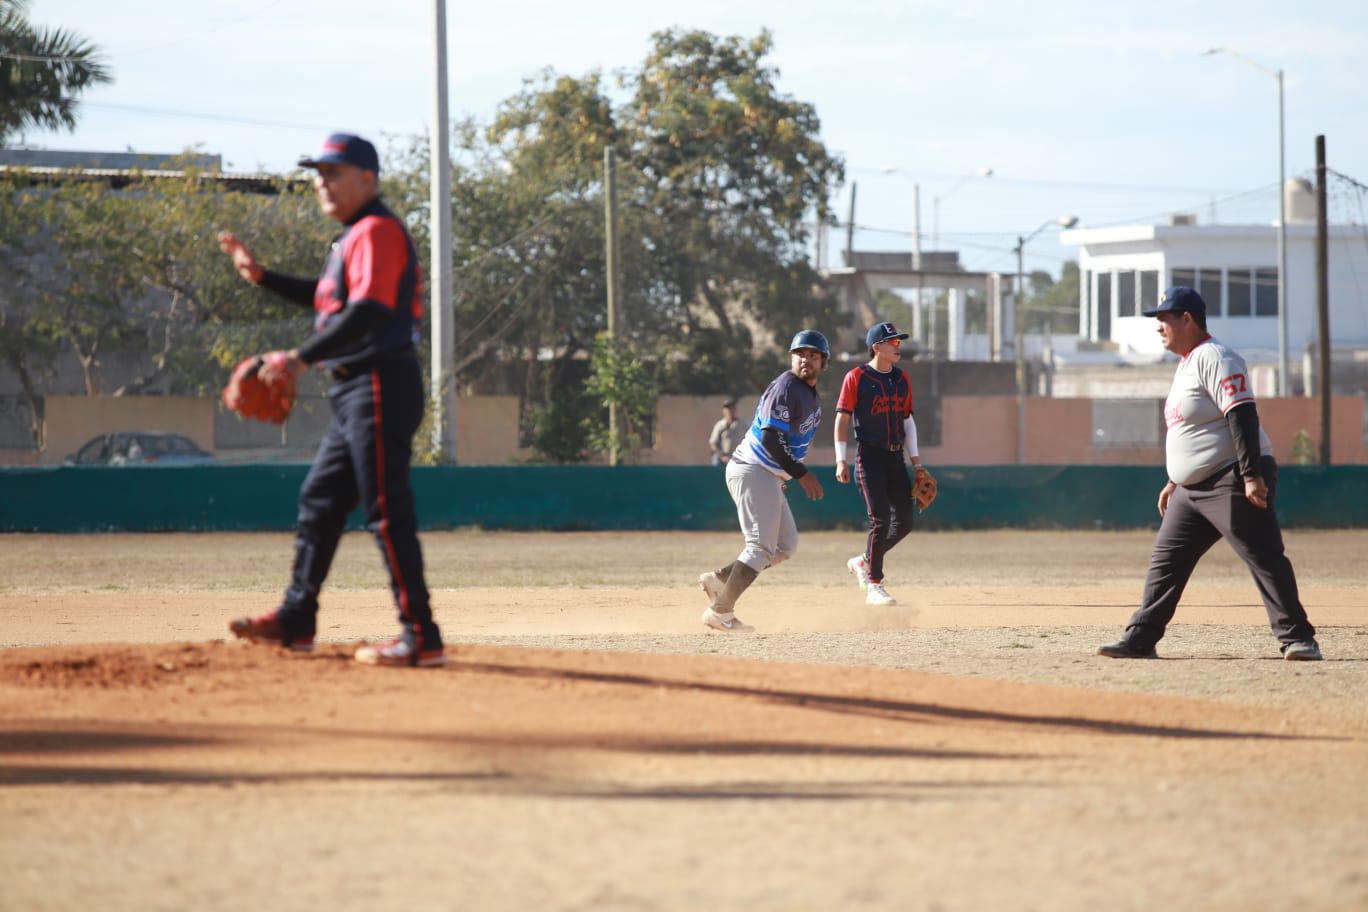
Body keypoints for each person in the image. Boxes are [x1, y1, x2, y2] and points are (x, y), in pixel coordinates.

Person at [217, 132, 446, 668]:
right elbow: (328, 299)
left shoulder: (377, 230)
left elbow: (366, 311)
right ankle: (296, 620)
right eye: (318, 172)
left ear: (368, 179)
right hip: (356, 389)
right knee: (319, 503)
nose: (322, 181)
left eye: (334, 172)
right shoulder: (350, 239)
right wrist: (263, 277)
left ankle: (422, 635)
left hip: (378, 383)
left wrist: (297, 358)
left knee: (387, 511)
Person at [1099, 286, 1321, 661]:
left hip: (1230, 477)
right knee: (1165, 562)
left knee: (1263, 556)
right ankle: (1140, 639)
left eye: (1164, 319)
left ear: (1187, 319)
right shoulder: (1187, 363)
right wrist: (1176, 479)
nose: (1158, 327)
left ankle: (1299, 639)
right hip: (1192, 489)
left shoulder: (1217, 357)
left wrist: (1251, 474)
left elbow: (1241, 415)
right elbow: (1195, 428)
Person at [696, 331, 828, 632]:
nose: (806, 359)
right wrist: (800, 474)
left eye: (813, 355)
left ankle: (718, 580)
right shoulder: (786, 387)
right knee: (759, 548)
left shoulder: (809, 394)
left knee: (785, 545)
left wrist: (782, 475)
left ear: (823, 362)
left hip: (767, 473)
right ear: (792, 357)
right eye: (800, 353)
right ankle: (721, 611)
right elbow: (770, 438)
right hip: (753, 467)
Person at [833, 321, 932, 607]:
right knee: (881, 520)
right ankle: (875, 583)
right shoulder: (857, 377)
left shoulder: (902, 379)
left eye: (899, 341)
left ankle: (864, 561)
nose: (897, 345)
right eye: (893, 341)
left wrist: (917, 464)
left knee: (905, 522)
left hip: (895, 457)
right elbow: (842, 418)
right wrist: (841, 459)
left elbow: (907, 420)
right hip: (869, 456)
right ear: (876, 347)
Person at [708, 399, 739, 466]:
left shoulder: (743, 424)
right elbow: (713, 443)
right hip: (723, 456)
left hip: (738, 456)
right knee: (715, 459)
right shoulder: (720, 425)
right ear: (723, 411)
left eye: (731, 408)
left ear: (735, 409)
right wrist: (722, 456)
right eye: (727, 409)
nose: (729, 411)